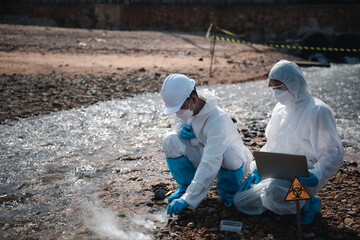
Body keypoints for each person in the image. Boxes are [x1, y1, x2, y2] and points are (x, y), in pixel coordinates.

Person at [234, 60, 344, 225]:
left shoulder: (318, 111)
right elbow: (272, 144)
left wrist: (318, 174)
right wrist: (258, 168)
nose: (276, 93)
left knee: (272, 194)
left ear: (293, 83)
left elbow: (333, 152)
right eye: (273, 88)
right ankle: (284, 199)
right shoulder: (280, 109)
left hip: (305, 175)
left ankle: (307, 203)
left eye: (279, 88)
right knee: (241, 201)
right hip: (279, 171)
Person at [161, 73, 253, 216]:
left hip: (229, 162)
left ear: (193, 99)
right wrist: (179, 129)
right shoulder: (190, 106)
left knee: (229, 153)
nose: (177, 113)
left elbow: (211, 160)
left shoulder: (217, 120)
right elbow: (178, 122)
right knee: (169, 139)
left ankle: (230, 191)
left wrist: (189, 199)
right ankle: (186, 185)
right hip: (203, 153)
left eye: (179, 109)